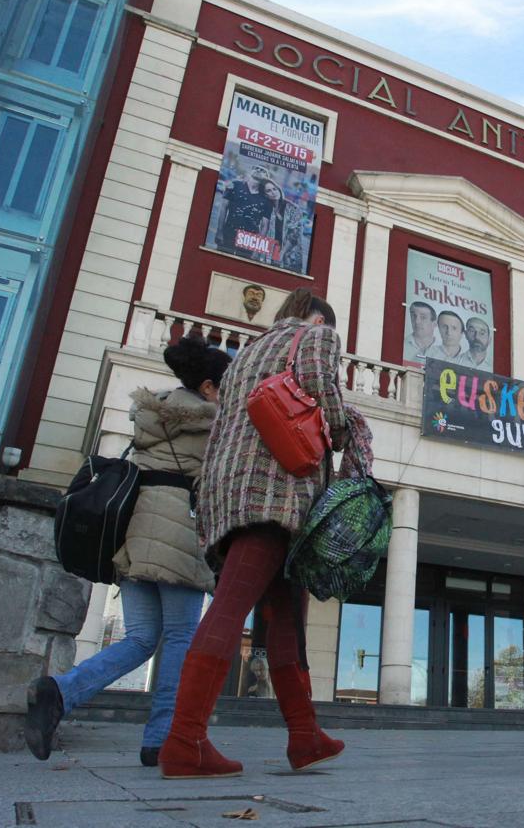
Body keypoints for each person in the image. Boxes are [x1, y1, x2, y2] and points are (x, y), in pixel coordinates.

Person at [159, 289, 353, 779]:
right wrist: (346, 430)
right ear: (315, 318)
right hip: (277, 490)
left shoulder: (245, 354)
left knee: (285, 617)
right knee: (230, 608)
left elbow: (225, 423)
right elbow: (325, 398)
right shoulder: (317, 336)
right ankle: (184, 741)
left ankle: (305, 736)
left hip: (231, 489)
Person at [24, 336, 231, 767]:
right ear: (209, 388)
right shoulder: (214, 424)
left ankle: (60, 691)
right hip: (179, 535)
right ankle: (161, 738)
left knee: (140, 639)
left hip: (135, 534)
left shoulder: (151, 416)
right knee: (179, 638)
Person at [217, 165, 273, 256]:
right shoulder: (235, 185)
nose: (258, 170)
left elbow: (265, 226)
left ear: (266, 177)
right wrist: (219, 231)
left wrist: (257, 248)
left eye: (262, 170)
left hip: (249, 240)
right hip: (229, 232)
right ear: (250, 171)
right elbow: (223, 208)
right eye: (256, 168)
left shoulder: (266, 200)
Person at [259, 180, 305, 271]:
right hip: (271, 251)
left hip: (287, 254)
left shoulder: (293, 208)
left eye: (274, 189)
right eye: (269, 191)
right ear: (265, 195)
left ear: (279, 189)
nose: (273, 192)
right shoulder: (268, 208)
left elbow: (295, 235)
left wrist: (281, 254)